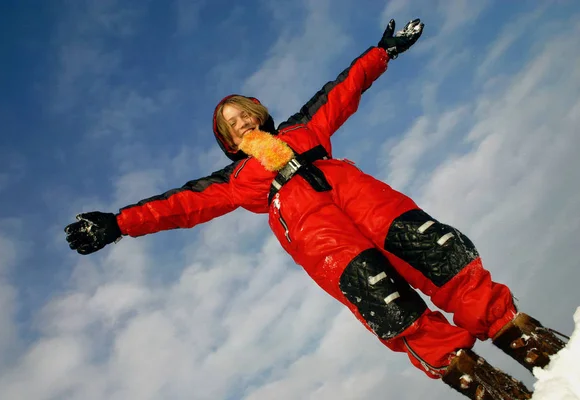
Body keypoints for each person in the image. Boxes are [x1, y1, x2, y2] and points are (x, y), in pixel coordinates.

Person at [65, 19, 565, 398]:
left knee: (442, 259)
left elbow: (343, 89)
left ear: (259, 112)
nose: (239, 122)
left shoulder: (304, 130)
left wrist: (382, 51)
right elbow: (173, 206)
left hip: (368, 202)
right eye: (229, 124)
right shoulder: (232, 181)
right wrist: (117, 223)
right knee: (392, 307)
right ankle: (493, 389)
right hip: (323, 241)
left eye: (243, 112)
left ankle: (540, 351)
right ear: (227, 142)